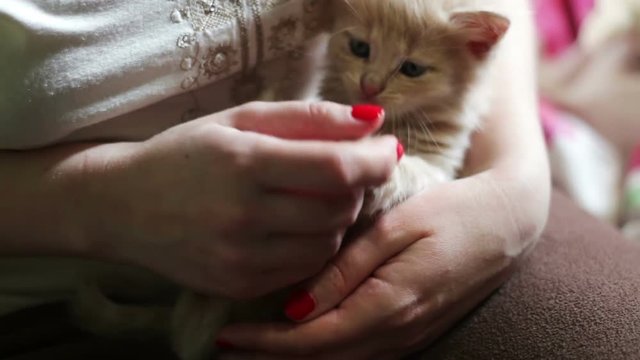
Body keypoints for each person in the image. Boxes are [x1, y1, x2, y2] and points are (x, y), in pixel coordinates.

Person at [0, 0, 550, 359]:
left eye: (409, 69)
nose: (371, 83)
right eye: (359, 49)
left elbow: (499, 17)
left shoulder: (449, 77)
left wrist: (517, 187)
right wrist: (95, 204)